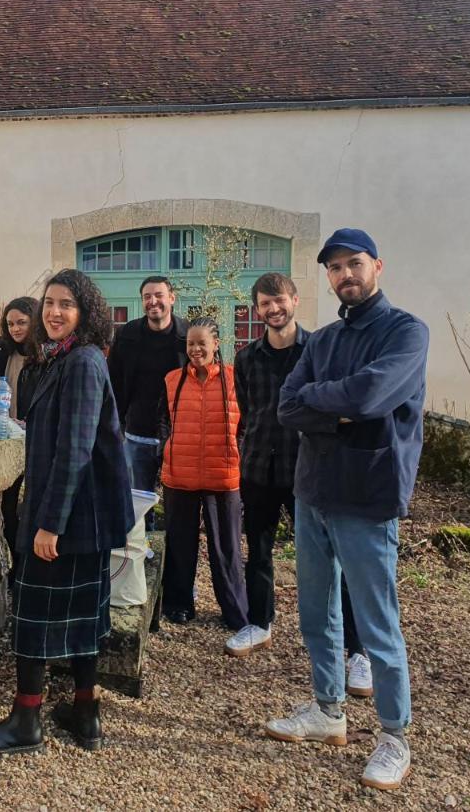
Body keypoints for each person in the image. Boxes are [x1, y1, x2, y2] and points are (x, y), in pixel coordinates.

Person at [265, 228, 428, 792]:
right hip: (313, 492)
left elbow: (371, 396)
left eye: (353, 263)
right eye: (334, 268)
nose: (344, 275)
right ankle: (328, 710)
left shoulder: (406, 332)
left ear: (377, 266)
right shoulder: (324, 340)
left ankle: (393, 736)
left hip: (367, 493)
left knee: (377, 624)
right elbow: (287, 405)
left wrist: (329, 402)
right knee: (317, 612)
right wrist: (337, 407)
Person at [0, 269, 133, 757]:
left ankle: (27, 719)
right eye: (50, 303)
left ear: (85, 313)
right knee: (83, 618)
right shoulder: (61, 359)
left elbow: (75, 451)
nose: (54, 312)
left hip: (70, 517)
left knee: (35, 616)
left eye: (66, 305)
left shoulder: (80, 363)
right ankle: (86, 710)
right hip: (84, 517)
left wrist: (48, 525)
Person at [228, 273, 373, 699]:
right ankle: (260, 622)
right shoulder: (246, 358)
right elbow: (250, 409)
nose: (273, 309)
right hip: (258, 468)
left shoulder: (320, 351)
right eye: (264, 304)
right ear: (257, 311)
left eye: (279, 301)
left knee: (336, 558)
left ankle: (357, 651)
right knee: (258, 550)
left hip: (308, 471)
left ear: (294, 300)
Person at [158, 317, 248, 628]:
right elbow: (162, 421)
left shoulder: (235, 379)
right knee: (180, 545)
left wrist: (239, 452)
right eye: (191, 344)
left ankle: (235, 610)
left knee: (227, 548)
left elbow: (247, 423)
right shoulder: (172, 380)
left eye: (202, 344)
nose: (196, 349)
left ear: (216, 345)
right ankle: (179, 604)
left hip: (222, 476)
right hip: (179, 475)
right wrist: (166, 447)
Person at [107, 276, 187, 528]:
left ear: (171, 298)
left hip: (179, 434)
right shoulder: (127, 335)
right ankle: (144, 552)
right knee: (138, 502)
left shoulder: (187, 335)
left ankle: (174, 555)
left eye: (159, 295)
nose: (153, 301)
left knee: (178, 501)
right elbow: (113, 382)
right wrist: (114, 425)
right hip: (137, 433)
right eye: (147, 297)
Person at [0, 297, 40, 576]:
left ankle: (32, 567)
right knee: (6, 506)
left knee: (33, 506)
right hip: (3, 438)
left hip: (35, 439)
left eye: (22, 322)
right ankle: (12, 569)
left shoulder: (46, 356)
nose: (15, 328)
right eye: (10, 323)